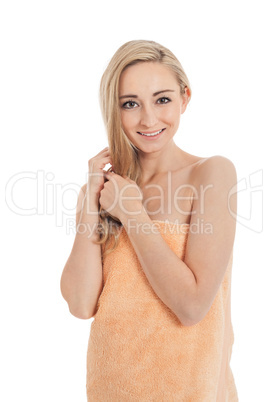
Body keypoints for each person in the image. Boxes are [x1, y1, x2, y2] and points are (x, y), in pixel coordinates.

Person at [60, 40, 238, 401]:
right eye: (130, 104)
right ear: (114, 108)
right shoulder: (103, 192)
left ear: (185, 98)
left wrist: (132, 214)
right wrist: (91, 198)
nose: (149, 119)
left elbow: (191, 307)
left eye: (162, 99)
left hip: (191, 389)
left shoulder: (211, 174)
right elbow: (81, 304)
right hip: (112, 388)